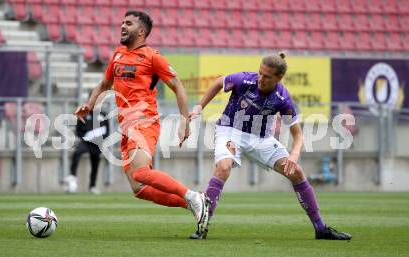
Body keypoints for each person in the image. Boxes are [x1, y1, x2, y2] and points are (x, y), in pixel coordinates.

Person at [189, 53, 352, 240]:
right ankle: (203, 225)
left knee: (296, 172)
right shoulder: (244, 80)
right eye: (260, 73)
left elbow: (298, 134)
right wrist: (199, 107)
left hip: (261, 139)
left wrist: (294, 154)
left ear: (278, 78)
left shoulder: (282, 98)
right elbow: (219, 82)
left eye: (267, 76)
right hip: (230, 130)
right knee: (223, 167)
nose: (261, 79)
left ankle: (320, 228)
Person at [74, 10, 209, 233]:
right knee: (139, 189)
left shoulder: (153, 57)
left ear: (142, 31)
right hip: (125, 126)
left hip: (144, 121)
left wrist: (185, 121)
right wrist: (89, 105)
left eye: (129, 23)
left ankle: (193, 196)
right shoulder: (118, 55)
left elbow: (178, 87)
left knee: (141, 173)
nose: (123, 26)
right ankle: (194, 204)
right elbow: (104, 83)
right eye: (122, 23)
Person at [65, 109, 109, 194]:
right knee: (77, 152)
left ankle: (92, 186)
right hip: (86, 142)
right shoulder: (84, 114)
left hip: (97, 143)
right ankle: (72, 175)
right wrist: (85, 137)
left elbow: (107, 130)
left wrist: (101, 139)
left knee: (95, 164)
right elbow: (78, 130)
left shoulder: (103, 114)